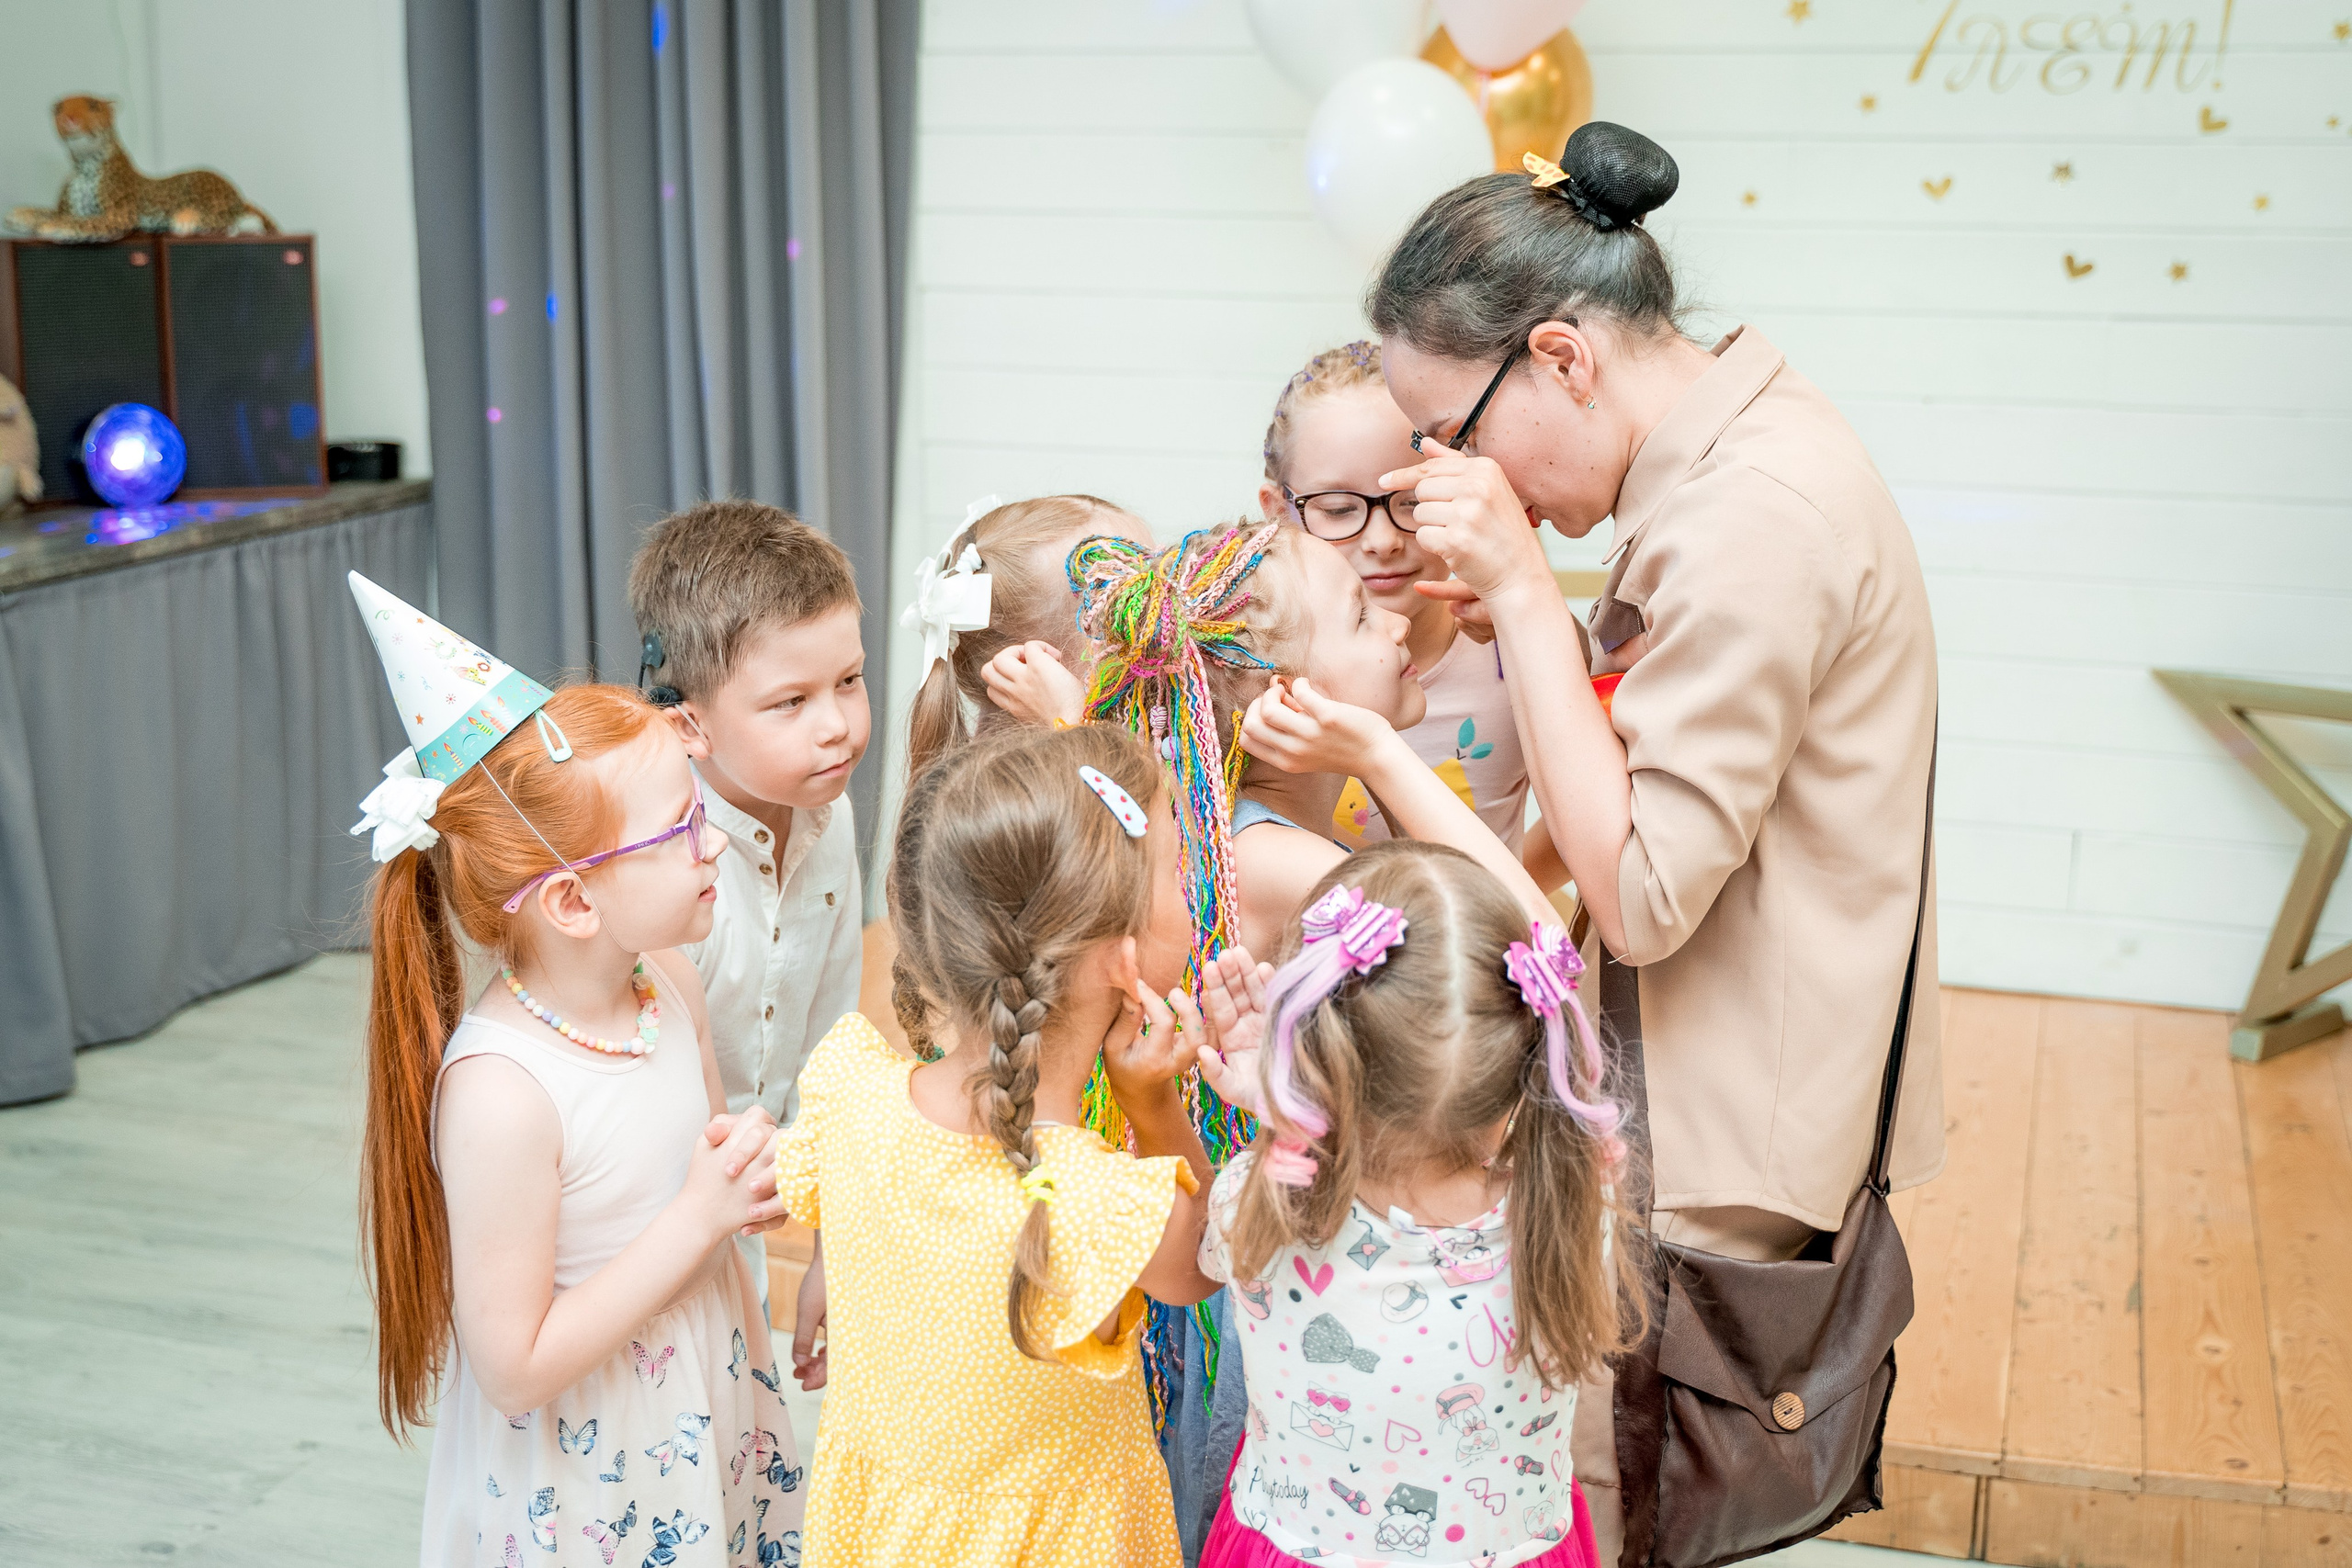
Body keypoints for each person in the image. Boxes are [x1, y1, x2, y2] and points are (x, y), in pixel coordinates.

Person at [1365, 120, 1944, 1555]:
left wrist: (1514, 587)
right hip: (1700, 1071)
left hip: (1718, 1126)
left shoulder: (1755, 513)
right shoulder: (1724, 444)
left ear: (1561, 356)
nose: (1458, 470)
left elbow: (1642, 893)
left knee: (1657, 1511)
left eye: (1458, 430)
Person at [1069, 521, 1556, 1562]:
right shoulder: (1279, 862)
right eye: (1357, 613)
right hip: (1304, 1294)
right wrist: (1381, 748)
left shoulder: (1259, 834)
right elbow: (1529, 948)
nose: (1398, 623)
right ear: (1288, 701)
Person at [345, 573, 801, 1567]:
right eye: (681, 827)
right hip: (591, 1478)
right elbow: (512, 1368)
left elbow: (706, 1169)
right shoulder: (503, 1093)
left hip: (705, 1395)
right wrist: (697, 1215)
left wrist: (746, 1185)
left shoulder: (667, 982)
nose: (711, 843)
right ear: (571, 904)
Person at [764, 724, 1216, 1567]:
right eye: (1179, 873)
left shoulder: (854, 1087)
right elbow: (1202, 1266)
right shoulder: (1094, 1199)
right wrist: (1151, 1103)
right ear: (1124, 960)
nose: (1192, 888)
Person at [1187, 840, 1630, 1568]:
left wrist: (1275, 1106)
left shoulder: (1259, 1205)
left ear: (1314, 1054)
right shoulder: (1579, 1204)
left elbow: (1223, 1238)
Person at [628, 499, 869, 1365]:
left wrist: (836, 1243)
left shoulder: (828, 813)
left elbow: (831, 1036)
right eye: (790, 701)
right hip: (650, 1225)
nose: (836, 723)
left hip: (753, 1208)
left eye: (849, 680)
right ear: (689, 724)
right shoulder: (654, 862)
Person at [1256, 341, 1560, 888]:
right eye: (1339, 509)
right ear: (1279, 512)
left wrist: (1512, 889)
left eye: (1413, 500)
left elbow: (1608, 795)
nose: (1382, 540)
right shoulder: (1251, 667)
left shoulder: (1522, 640)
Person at [902, 491, 1154, 779]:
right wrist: (1072, 722)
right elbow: (1133, 818)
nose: (1167, 606)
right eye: (1132, 608)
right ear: (1033, 670)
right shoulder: (1014, 808)